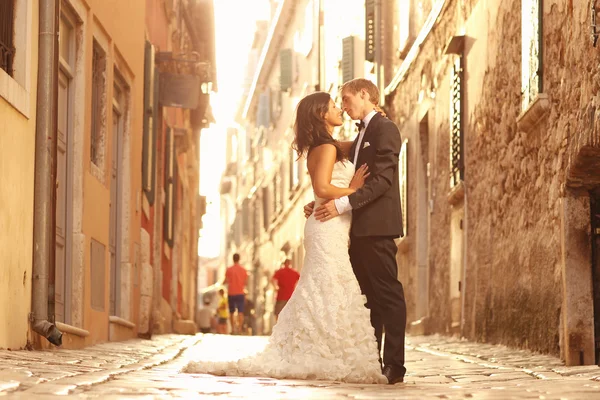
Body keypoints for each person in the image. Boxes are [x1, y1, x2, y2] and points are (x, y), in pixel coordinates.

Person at [186, 91, 385, 384]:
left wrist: (371, 113)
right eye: (333, 106)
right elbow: (322, 189)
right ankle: (327, 348)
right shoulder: (327, 148)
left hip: (329, 223)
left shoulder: (327, 146)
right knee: (329, 284)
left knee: (325, 286)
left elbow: (359, 145)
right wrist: (354, 191)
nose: (339, 109)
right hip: (327, 226)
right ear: (320, 114)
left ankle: (326, 346)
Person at [305, 78, 407, 384]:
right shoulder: (360, 134)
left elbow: (382, 181)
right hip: (356, 230)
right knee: (367, 300)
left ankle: (395, 366)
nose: (344, 106)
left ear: (365, 95)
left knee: (388, 296)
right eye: (340, 102)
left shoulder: (385, 129)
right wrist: (323, 200)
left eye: (347, 99)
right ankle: (371, 362)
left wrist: (340, 205)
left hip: (377, 227)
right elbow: (335, 175)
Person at [223, 254, 248, 334]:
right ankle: (240, 329)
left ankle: (233, 329)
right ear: (239, 259)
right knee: (240, 312)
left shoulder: (229, 269)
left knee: (231, 312)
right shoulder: (243, 270)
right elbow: (246, 282)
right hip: (240, 292)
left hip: (231, 292)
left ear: (233, 259)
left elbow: (226, 281)